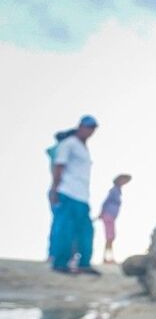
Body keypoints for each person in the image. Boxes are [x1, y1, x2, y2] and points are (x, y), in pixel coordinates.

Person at [49, 115, 101, 275]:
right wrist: (54, 189)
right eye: (88, 127)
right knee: (66, 229)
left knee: (86, 230)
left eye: (93, 128)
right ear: (80, 126)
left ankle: (84, 263)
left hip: (82, 196)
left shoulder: (83, 148)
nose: (90, 131)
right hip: (67, 192)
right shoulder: (69, 144)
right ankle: (60, 263)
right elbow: (58, 166)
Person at [45, 129, 76, 260]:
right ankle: (58, 254)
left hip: (60, 190)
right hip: (62, 191)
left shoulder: (56, 151)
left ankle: (54, 254)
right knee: (62, 224)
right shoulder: (62, 150)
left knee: (60, 223)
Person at [98, 174, 131, 264]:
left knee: (111, 237)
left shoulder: (118, 191)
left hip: (111, 216)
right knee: (110, 236)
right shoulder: (114, 190)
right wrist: (101, 213)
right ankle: (107, 258)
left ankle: (108, 257)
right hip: (108, 215)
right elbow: (105, 202)